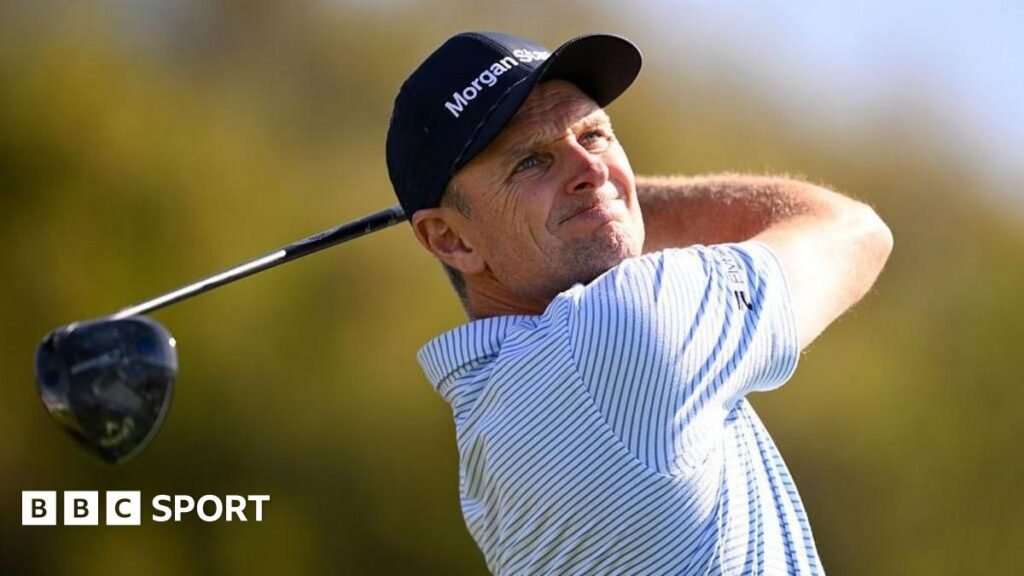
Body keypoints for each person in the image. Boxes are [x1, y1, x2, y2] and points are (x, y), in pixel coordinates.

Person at [386, 31, 892, 575]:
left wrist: (582, 197)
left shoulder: (487, 437)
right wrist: (616, 196)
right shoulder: (621, 327)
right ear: (450, 240)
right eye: (531, 161)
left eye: (595, 135)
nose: (593, 168)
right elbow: (853, 231)